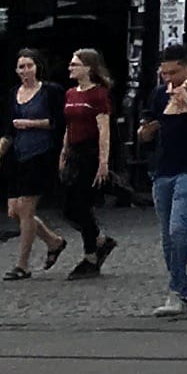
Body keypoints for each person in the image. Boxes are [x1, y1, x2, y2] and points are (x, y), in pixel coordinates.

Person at [139, 44, 187, 315]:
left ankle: (176, 292)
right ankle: (181, 291)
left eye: (173, 72)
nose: (168, 79)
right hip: (163, 170)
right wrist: (148, 128)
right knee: (166, 237)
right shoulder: (159, 95)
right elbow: (146, 132)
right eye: (164, 74)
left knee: (178, 229)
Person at [0, 50, 66, 276]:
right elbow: (8, 128)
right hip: (18, 155)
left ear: (37, 67)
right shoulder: (13, 94)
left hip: (42, 154)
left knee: (26, 208)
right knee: (15, 210)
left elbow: (59, 122)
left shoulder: (50, 91)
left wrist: (31, 123)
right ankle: (53, 241)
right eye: (21, 67)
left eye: (29, 66)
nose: (25, 71)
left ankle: (21, 265)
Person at [54, 48, 118, 283]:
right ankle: (100, 239)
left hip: (90, 152)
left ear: (88, 68)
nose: (70, 68)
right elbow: (68, 126)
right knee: (68, 207)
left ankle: (90, 254)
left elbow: (104, 129)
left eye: (75, 64)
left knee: (80, 203)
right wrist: (64, 151)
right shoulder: (71, 94)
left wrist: (104, 161)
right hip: (74, 151)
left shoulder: (98, 95)